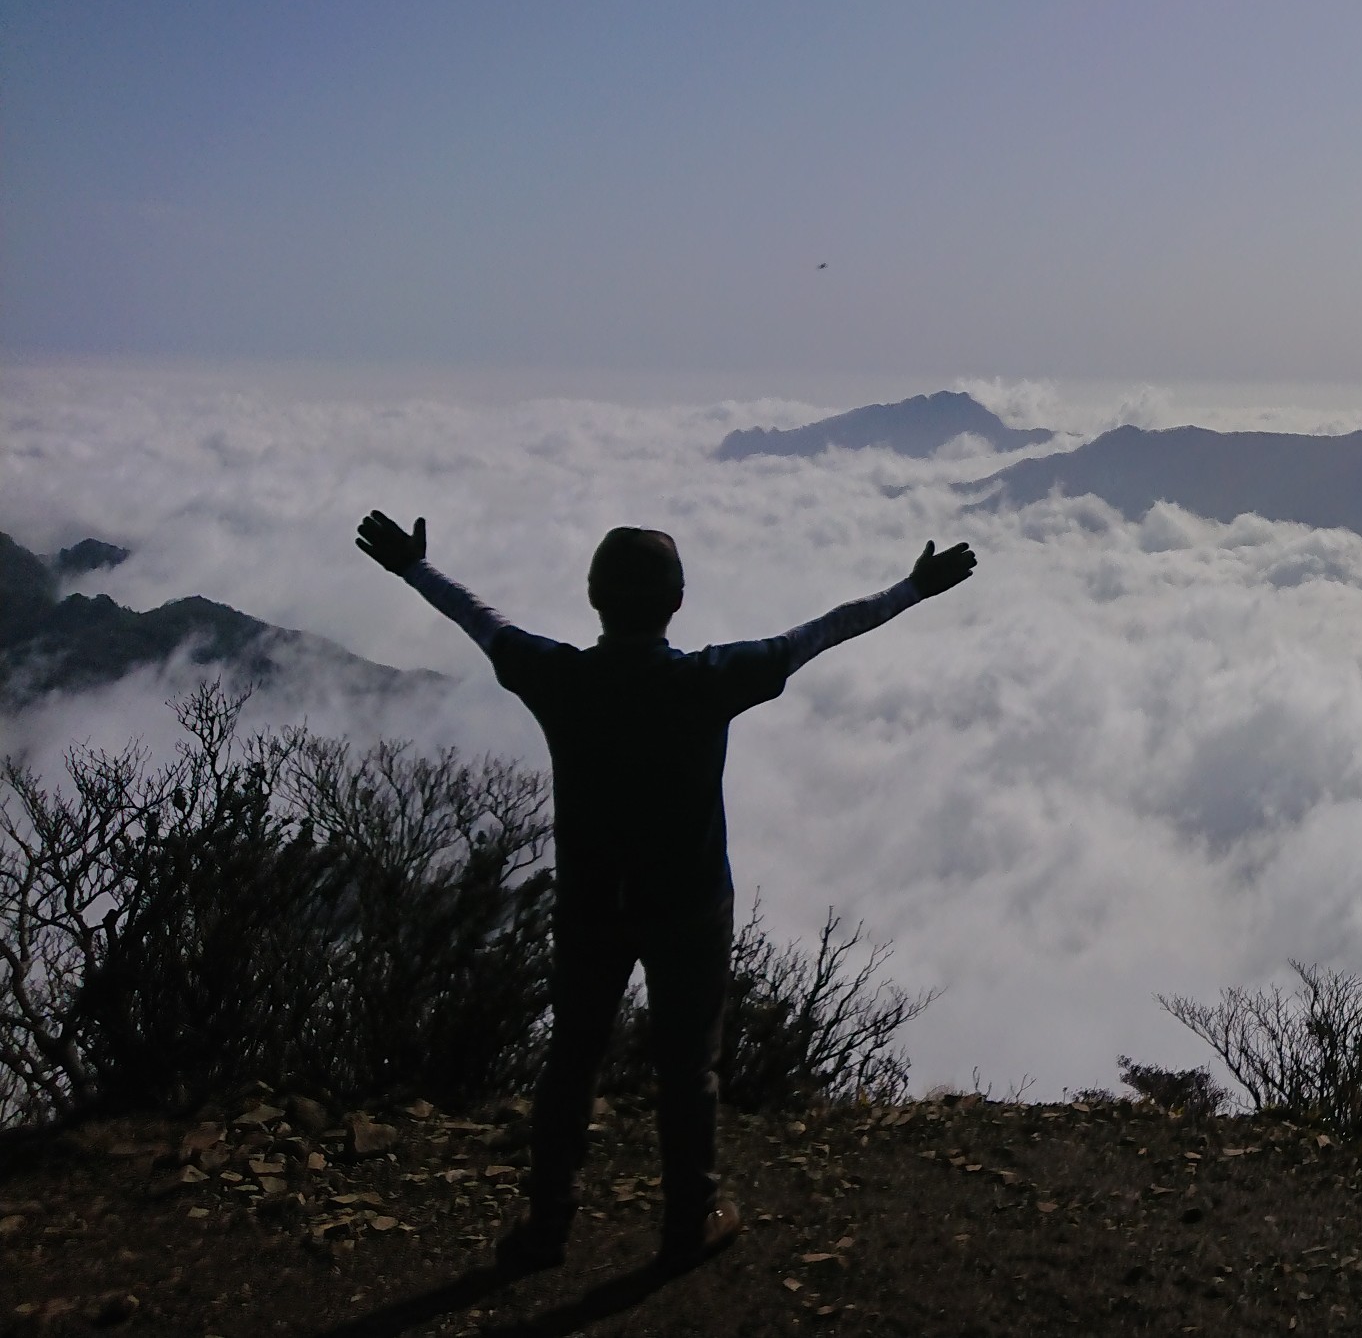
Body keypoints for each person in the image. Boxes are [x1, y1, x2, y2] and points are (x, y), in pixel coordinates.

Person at [354, 511, 976, 1273]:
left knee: (571, 1062)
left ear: (593, 596)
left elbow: (479, 619)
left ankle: (547, 1227)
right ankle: (690, 1220)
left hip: (590, 904)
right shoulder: (711, 681)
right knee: (688, 1067)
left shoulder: (557, 677)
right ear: (676, 602)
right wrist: (914, 588)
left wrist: (413, 570)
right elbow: (827, 630)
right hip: (689, 906)